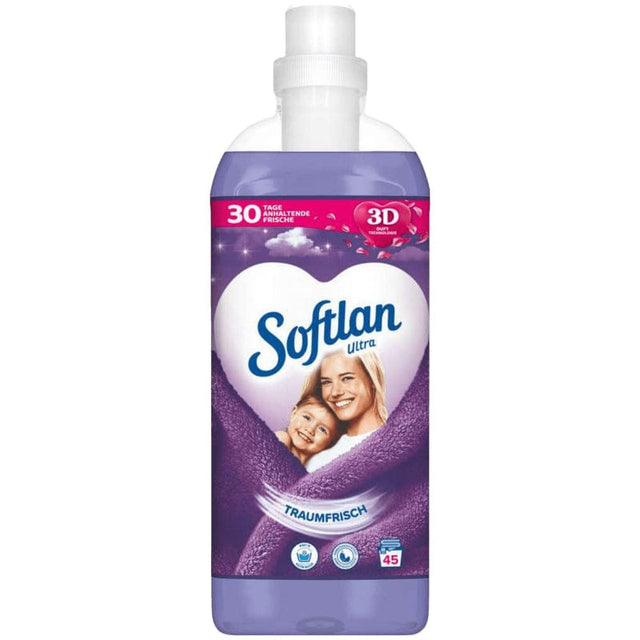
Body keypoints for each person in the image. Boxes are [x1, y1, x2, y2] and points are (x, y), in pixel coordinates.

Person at [302, 351, 387, 472]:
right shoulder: (317, 460)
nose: (335, 392)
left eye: (346, 378)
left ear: (372, 379)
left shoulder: (401, 444)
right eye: (326, 382)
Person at [275, 395, 342, 466]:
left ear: (331, 442)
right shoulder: (282, 438)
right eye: (307, 418)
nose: (310, 429)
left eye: (322, 429)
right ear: (294, 413)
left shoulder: (317, 466)